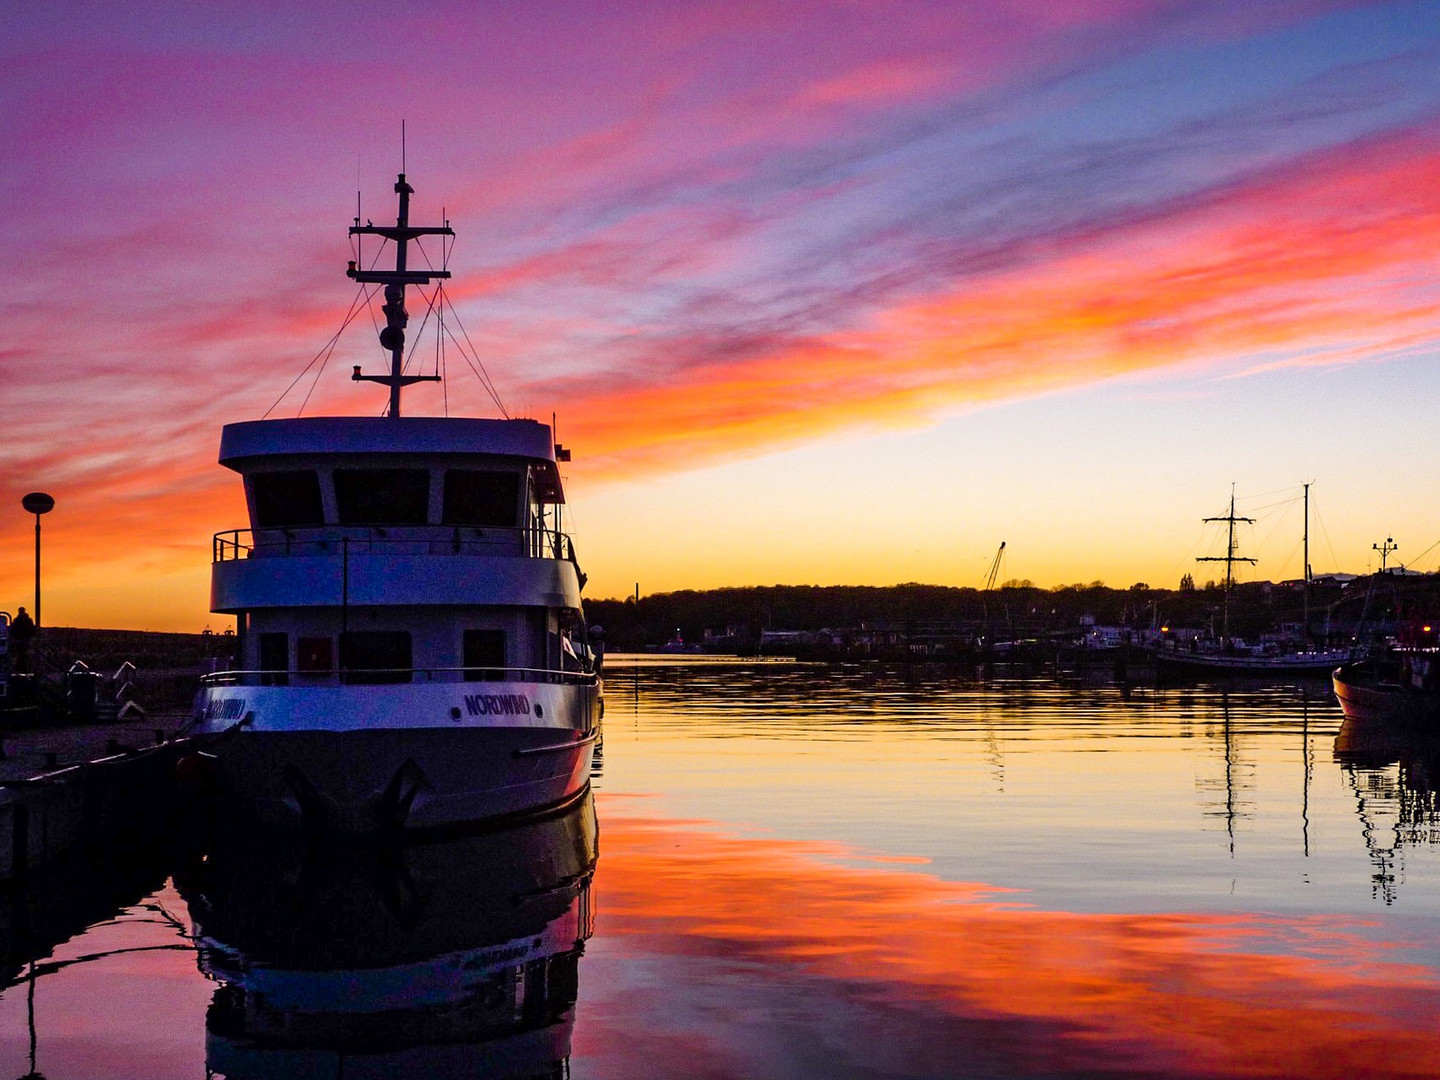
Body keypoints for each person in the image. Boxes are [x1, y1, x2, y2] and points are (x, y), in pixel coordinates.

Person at [9, 606, 35, 673]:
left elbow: (31, 630)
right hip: (20, 639)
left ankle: (22, 668)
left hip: (23, 639)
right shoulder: (18, 620)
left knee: (22, 654)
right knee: (21, 654)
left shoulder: (26, 620)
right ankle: (22, 668)